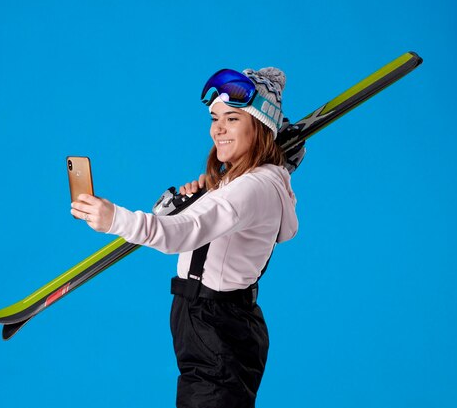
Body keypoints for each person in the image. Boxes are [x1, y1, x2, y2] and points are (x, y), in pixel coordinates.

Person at [71, 67, 299, 408]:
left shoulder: (251, 188)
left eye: (233, 119)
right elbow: (194, 224)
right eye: (214, 118)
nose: (218, 129)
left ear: (260, 125)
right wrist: (199, 199)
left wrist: (115, 218)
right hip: (209, 322)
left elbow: (182, 234)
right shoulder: (244, 182)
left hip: (217, 328)